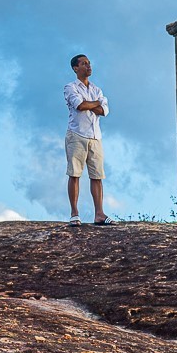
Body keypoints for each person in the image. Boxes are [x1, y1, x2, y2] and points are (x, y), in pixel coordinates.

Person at [64, 54, 113, 225]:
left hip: (95, 136)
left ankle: (99, 213)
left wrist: (90, 104)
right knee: (75, 173)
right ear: (75, 68)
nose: (88, 66)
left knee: (97, 175)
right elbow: (80, 105)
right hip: (77, 134)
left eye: (89, 63)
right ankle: (74, 213)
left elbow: (104, 110)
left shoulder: (96, 89)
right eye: (84, 64)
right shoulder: (70, 87)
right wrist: (94, 104)